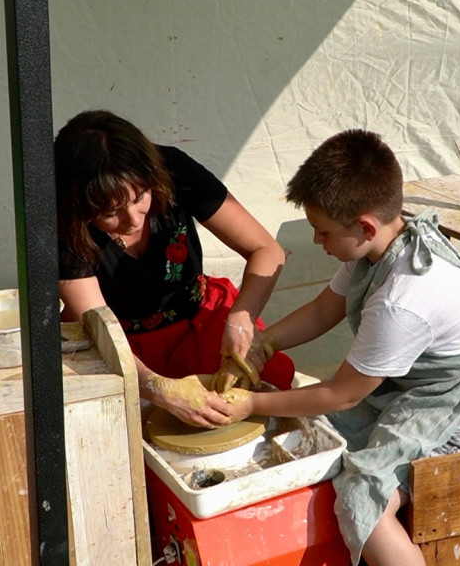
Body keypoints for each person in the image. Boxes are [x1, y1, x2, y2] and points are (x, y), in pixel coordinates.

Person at [221, 130, 460, 566]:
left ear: (364, 226)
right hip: (435, 386)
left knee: (363, 494)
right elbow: (325, 309)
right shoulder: (375, 249)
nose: (316, 242)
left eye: (322, 232)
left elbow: (343, 392)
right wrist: (265, 344)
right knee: (320, 433)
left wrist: (250, 404)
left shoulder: (403, 297)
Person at [54, 109, 294, 428]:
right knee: (114, 427)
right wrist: (159, 388)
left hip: (197, 317)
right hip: (120, 344)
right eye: (111, 212)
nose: (134, 218)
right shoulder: (61, 216)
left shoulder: (171, 168)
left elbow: (266, 249)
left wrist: (241, 318)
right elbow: (100, 329)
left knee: (268, 381)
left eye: (140, 196)